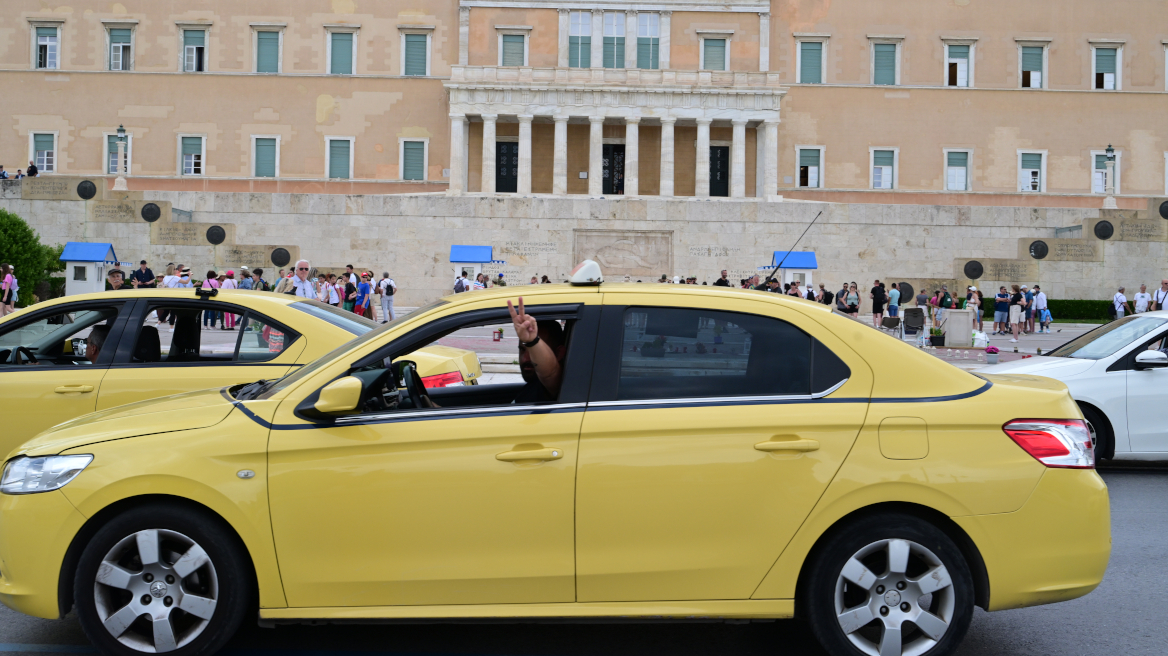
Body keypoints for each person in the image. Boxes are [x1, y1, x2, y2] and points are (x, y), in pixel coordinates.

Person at [507, 297, 567, 402]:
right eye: (522, 349)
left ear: (558, 353)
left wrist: (533, 341)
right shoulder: (532, 387)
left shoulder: (558, 387)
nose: (525, 359)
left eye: (533, 351)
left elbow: (550, 374)